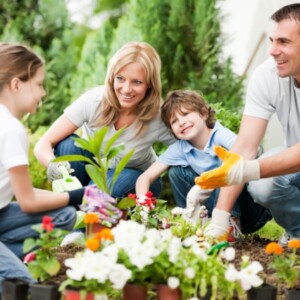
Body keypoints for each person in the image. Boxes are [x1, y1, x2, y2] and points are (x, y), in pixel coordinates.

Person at [196, 3, 300, 246]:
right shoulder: (268, 75)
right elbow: (244, 147)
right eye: (272, 40)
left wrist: (249, 169)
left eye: (283, 42)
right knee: (263, 184)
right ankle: (298, 232)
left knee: (257, 173)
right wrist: (220, 217)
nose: (272, 51)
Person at [34, 41, 175, 200]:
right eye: (120, 78)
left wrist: (154, 172)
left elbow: (183, 148)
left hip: (135, 179)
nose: (126, 89)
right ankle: (80, 205)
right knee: (67, 144)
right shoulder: (94, 101)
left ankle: (82, 208)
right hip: (91, 174)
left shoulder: (158, 115)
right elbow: (43, 144)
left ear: (150, 83)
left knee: (116, 183)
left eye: (137, 82)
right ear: (111, 77)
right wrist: (54, 165)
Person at [0, 43, 87, 295]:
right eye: (38, 84)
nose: (43, 92)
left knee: (64, 215)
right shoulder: (10, 129)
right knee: (23, 286)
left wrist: (76, 199)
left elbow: (25, 193)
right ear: (17, 84)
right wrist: (79, 196)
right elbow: (27, 201)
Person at [136, 90, 271, 237]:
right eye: (174, 121)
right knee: (176, 172)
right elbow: (145, 177)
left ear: (204, 113)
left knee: (225, 170)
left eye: (186, 114)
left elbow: (249, 151)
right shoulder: (181, 148)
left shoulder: (219, 135)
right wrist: (144, 205)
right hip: (215, 208)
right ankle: (191, 219)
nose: (181, 122)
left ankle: (230, 225)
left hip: (251, 211)